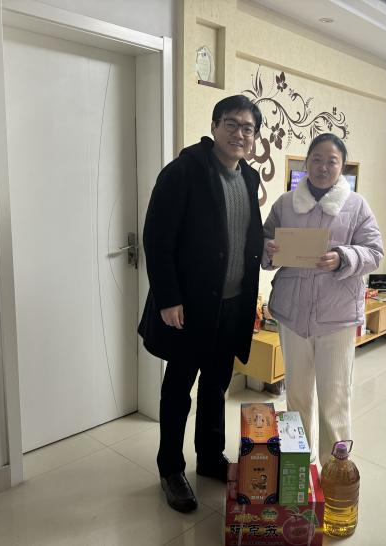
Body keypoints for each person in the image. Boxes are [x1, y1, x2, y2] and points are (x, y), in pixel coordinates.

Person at [138, 95, 264, 513]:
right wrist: (168, 298)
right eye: (231, 124)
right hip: (189, 307)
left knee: (216, 386)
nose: (239, 134)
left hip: (232, 305)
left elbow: (245, 233)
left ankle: (209, 457)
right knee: (178, 389)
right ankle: (171, 470)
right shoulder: (183, 172)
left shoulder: (249, 177)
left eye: (248, 128)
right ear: (214, 127)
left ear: (254, 137)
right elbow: (157, 238)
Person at [262, 134, 384, 466]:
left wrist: (344, 257)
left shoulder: (356, 205)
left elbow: (375, 252)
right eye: (316, 159)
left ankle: (334, 470)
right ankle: (298, 467)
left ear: (342, 167)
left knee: (334, 397)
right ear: (306, 163)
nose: (323, 167)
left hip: (336, 317)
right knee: (297, 395)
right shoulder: (286, 203)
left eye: (332, 161)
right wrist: (267, 249)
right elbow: (264, 242)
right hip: (293, 315)